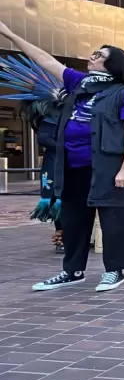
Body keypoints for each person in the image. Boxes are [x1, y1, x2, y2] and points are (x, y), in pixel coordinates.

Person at [0, 13, 124, 292]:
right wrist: (9, 34)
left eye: (98, 54)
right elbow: (45, 60)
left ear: (112, 64)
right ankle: (73, 270)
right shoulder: (79, 83)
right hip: (73, 167)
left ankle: (114, 271)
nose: (91, 57)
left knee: (114, 219)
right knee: (73, 218)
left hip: (108, 169)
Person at [0, 55, 67, 253]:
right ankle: (62, 236)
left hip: (72, 163)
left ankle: (76, 235)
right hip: (55, 165)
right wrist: (66, 146)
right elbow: (44, 139)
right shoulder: (53, 115)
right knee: (57, 200)